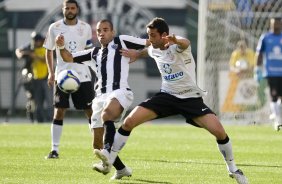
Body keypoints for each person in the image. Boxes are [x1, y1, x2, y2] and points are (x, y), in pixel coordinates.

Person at [93, 17, 249, 184]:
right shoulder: (154, 48)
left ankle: (233, 169)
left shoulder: (178, 47)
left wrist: (176, 39)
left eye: (153, 35)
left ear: (164, 35)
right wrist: (137, 53)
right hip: (167, 96)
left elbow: (186, 43)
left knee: (219, 131)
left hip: (190, 98)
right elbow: (148, 51)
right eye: (148, 35)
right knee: (129, 121)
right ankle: (109, 158)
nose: (149, 39)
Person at [55, 19, 149, 180]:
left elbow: (152, 43)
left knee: (107, 116)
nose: (102, 33)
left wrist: (139, 53)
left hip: (120, 92)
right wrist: (61, 46)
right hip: (100, 97)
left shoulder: (122, 41)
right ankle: (121, 169)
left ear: (113, 32)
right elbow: (68, 57)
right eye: (99, 31)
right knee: (96, 144)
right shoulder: (94, 52)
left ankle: (107, 150)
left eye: (105, 30)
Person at [43, 0, 95, 159]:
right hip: (62, 76)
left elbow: (89, 51)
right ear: (63, 9)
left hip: (83, 75)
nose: (70, 10)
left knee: (90, 112)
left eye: (73, 8)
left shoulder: (85, 27)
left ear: (77, 9)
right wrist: (51, 73)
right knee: (59, 111)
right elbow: (49, 51)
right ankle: (54, 150)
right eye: (67, 8)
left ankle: (98, 147)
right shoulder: (54, 27)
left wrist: (95, 70)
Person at [15, 32, 53, 123]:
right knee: (37, 101)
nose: (36, 43)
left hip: (46, 78)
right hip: (35, 78)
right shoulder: (31, 48)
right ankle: (39, 119)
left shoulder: (46, 47)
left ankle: (50, 119)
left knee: (49, 100)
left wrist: (35, 56)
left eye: (38, 41)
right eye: (35, 41)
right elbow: (18, 51)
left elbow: (45, 60)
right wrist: (24, 54)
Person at [254, 17, 282, 131]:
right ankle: (277, 120)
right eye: (273, 24)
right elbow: (259, 54)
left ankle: (277, 116)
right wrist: (257, 69)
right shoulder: (265, 37)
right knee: (274, 95)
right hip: (271, 72)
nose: (274, 26)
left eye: (277, 24)